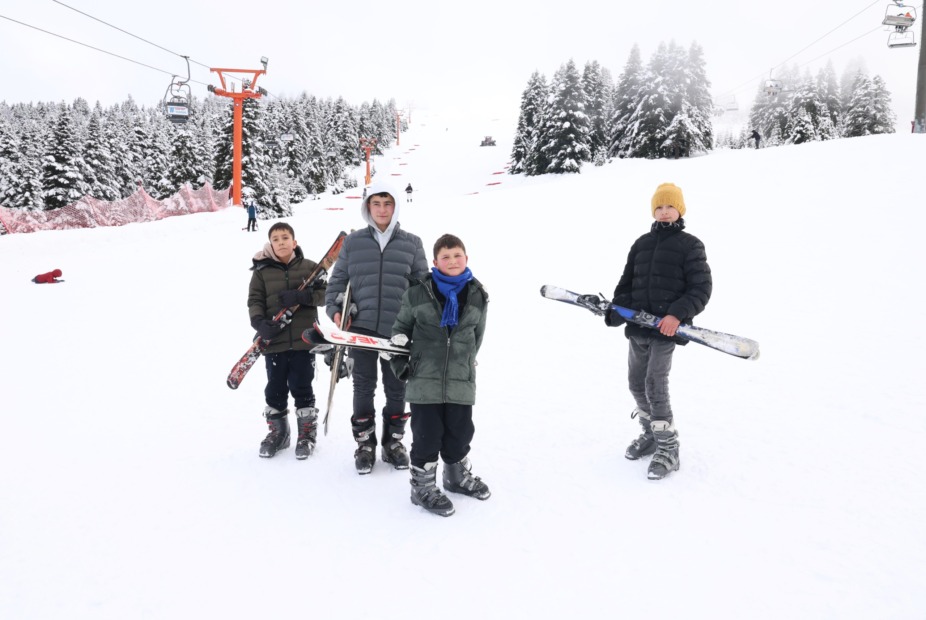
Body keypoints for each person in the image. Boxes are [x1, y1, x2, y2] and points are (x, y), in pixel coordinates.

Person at [604, 183, 712, 480]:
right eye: (659, 207)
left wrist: (676, 314)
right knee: (636, 384)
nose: (664, 212)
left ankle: (668, 447)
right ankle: (651, 433)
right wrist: (617, 309)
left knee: (655, 384)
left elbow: (701, 288)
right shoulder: (641, 244)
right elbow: (626, 284)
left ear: (680, 210)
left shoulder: (690, 245)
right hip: (638, 328)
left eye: (670, 206)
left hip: (665, 331)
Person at [325, 180, 428, 474]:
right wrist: (336, 311)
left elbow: (423, 287)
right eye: (376, 204)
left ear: (395, 206)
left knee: (397, 388)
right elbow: (337, 283)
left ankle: (393, 443)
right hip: (362, 328)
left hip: (398, 331)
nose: (382, 210)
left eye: (387, 204)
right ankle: (365, 444)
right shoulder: (353, 242)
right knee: (363, 386)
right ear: (367, 207)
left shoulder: (412, 244)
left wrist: (420, 322)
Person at [388, 234, 490, 517]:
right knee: (427, 435)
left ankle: (455, 477)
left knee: (460, 432)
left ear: (466, 258)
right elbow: (399, 331)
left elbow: (477, 336)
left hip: (460, 379)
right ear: (435, 262)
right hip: (424, 378)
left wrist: (466, 363)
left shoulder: (478, 295)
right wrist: (400, 364)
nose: (452, 261)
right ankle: (421, 487)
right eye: (445, 257)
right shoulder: (417, 293)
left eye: (457, 255)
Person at [248, 222, 327, 460]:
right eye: (276, 239)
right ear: (270, 244)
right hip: (275, 342)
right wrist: (259, 323)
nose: (281, 242)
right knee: (275, 388)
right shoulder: (261, 272)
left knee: (302, 386)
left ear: (294, 242)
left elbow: (325, 295)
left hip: (304, 341)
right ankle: (279, 434)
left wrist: (303, 296)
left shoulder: (310, 267)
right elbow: (255, 300)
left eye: (285, 238)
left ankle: (306, 434)